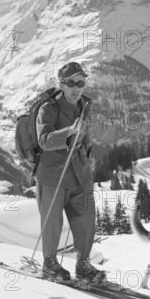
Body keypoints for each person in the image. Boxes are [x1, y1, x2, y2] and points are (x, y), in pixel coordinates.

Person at [35, 61, 104, 283]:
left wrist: (85, 155)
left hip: (80, 174)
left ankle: (83, 263)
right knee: (52, 223)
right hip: (53, 176)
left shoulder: (84, 105)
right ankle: (50, 264)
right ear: (62, 84)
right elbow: (44, 140)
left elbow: (87, 138)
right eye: (71, 83)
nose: (76, 88)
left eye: (80, 83)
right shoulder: (49, 109)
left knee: (85, 220)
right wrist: (68, 132)